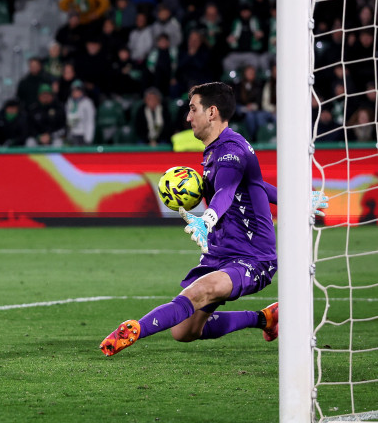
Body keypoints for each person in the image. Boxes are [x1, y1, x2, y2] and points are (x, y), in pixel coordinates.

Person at [100, 82, 329, 356]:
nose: (188, 117)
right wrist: (296, 200)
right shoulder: (215, 150)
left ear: (211, 112)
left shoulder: (232, 149)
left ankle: (134, 329)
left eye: (192, 109)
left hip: (252, 257)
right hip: (221, 252)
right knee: (184, 331)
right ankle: (265, 319)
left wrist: (206, 219)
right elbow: (256, 186)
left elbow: (226, 191)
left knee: (201, 291)